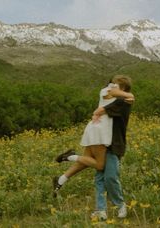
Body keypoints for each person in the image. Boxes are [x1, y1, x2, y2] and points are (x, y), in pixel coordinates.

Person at [53, 75, 134, 199]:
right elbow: (116, 94)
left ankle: (60, 180)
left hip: (96, 130)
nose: (112, 86)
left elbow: (128, 99)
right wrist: (123, 92)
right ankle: (70, 156)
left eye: (115, 84)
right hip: (99, 133)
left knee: (85, 161)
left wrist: (124, 94)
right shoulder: (107, 91)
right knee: (100, 165)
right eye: (112, 84)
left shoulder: (119, 100)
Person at [91, 81, 133, 220]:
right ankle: (100, 209)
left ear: (124, 90)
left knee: (110, 177)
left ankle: (120, 204)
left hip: (115, 144)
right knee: (99, 178)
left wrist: (115, 91)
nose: (112, 87)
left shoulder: (123, 103)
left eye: (116, 85)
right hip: (102, 143)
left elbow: (99, 110)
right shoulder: (114, 101)